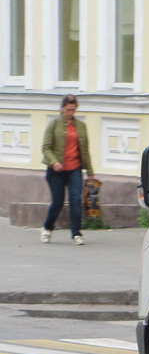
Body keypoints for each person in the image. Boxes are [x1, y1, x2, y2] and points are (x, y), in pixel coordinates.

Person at [40, 94, 95, 245]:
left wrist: (90, 171)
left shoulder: (80, 126)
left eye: (72, 110)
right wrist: (54, 162)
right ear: (62, 108)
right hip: (56, 171)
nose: (70, 113)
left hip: (74, 169)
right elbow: (46, 147)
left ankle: (76, 234)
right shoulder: (53, 124)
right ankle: (47, 228)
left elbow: (84, 150)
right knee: (57, 202)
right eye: (67, 109)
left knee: (75, 200)